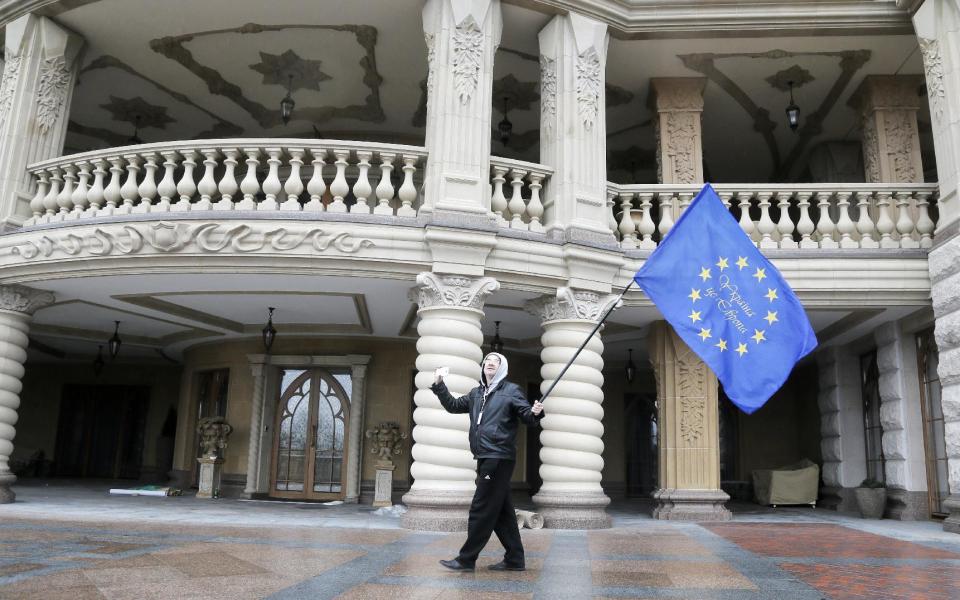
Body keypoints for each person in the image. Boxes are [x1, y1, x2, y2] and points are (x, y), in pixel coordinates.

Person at [431, 352, 544, 572]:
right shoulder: (476, 393)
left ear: (502, 368)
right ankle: (515, 559)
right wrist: (439, 385)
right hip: (484, 456)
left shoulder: (511, 391)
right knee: (502, 512)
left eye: (496, 362)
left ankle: (466, 559)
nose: (490, 364)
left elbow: (527, 418)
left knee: (481, 507)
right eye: (487, 361)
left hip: (499, 457)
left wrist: (536, 412)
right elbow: (453, 405)